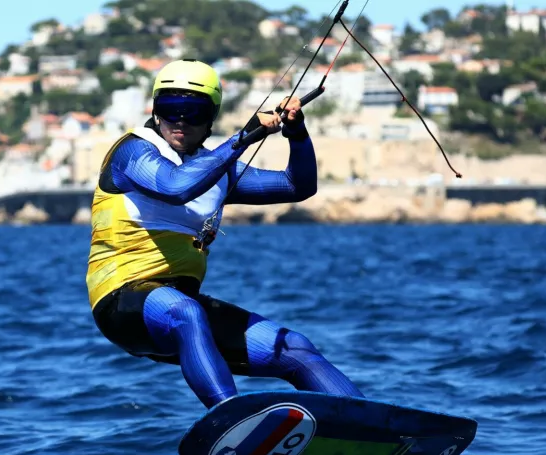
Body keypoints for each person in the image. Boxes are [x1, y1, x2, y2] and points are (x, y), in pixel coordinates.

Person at [86, 59, 364, 409]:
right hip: (121, 302)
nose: (181, 122)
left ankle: (379, 435)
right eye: (172, 109)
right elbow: (175, 187)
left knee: (295, 348)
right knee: (185, 311)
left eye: (194, 111)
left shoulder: (216, 167)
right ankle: (232, 420)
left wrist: (296, 132)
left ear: (211, 116)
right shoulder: (132, 151)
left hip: (181, 307)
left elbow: (298, 185)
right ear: (155, 110)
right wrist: (243, 137)